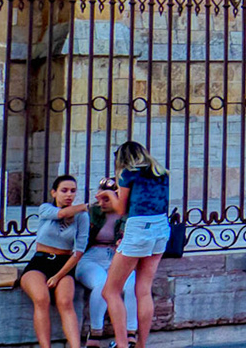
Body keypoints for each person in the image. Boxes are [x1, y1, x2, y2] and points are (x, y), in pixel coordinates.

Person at [102, 142, 171, 348]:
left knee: (110, 291)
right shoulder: (162, 173)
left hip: (139, 227)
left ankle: (122, 344)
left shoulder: (128, 173)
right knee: (143, 289)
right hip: (161, 227)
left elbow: (121, 209)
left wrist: (110, 195)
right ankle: (141, 344)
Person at [19, 173, 85, 348]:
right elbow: (61, 213)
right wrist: (84, 206)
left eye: (73, 191)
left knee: (65, 301)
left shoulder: (82, 217)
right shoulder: (46, 209)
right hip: (40, 262)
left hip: (64, 264)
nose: (69, 195)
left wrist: (58, 276)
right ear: (54, 193)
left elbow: (79, 251)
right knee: (41, 299)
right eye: (64, 190)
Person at [72, 177, 137, 342]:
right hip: (92, 257)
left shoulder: (130, 214)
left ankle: (130, 333)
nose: (103, 202)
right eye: (100, 197)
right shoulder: (92, 212)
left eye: (107, 198)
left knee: (132, 285)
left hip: (118, 257)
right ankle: (95, 332)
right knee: (102, 284)